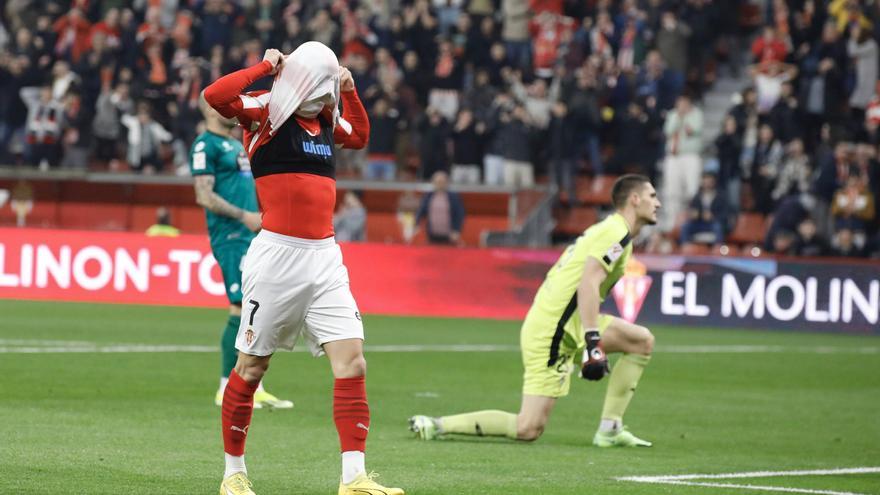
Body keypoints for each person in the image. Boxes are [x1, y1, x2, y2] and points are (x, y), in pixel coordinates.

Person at [203, 44, 404, 495]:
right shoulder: (268, 111)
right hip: (277, 257)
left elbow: (360, 137)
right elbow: (215, 95)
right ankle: (233, 473)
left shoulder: (327, 121)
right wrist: (264, 66)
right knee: (252, 368)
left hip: (325, 257)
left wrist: (350, 92)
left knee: (352, 361)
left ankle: (353, 479)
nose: (329, 90)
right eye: (327, 81)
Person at [410, 174, 661, 447]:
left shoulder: (614, 231)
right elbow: (588, 281)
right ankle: (436, 425)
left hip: (569, 324)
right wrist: (593, 342)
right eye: (652, 196)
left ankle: (610, 429)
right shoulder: (616, 232)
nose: (657, 203)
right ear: (635, 199)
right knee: (528, 427)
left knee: (640, 341)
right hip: (552, 330)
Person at [190, 90, 293, 412]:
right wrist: (244, 216)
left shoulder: (236, 145)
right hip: (231, 236)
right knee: (240, 306)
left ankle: (253, 386)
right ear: (208, 109)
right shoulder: (204, 146)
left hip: (253, 236)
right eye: (222, 104)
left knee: (256, 308)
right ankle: (225, 387)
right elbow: (204, 197)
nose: (231, 108)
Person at [414, 170, 466, 245]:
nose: (440, 184)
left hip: (450, 236)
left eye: (442, 182)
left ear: (447, 183)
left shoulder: (453, 197)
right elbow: (421, 211)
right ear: (433, 183)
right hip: (432, 235)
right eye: (438, 182)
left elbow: (459, 214)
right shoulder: (428, 196)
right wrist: (416, 223)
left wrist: (456, 230)